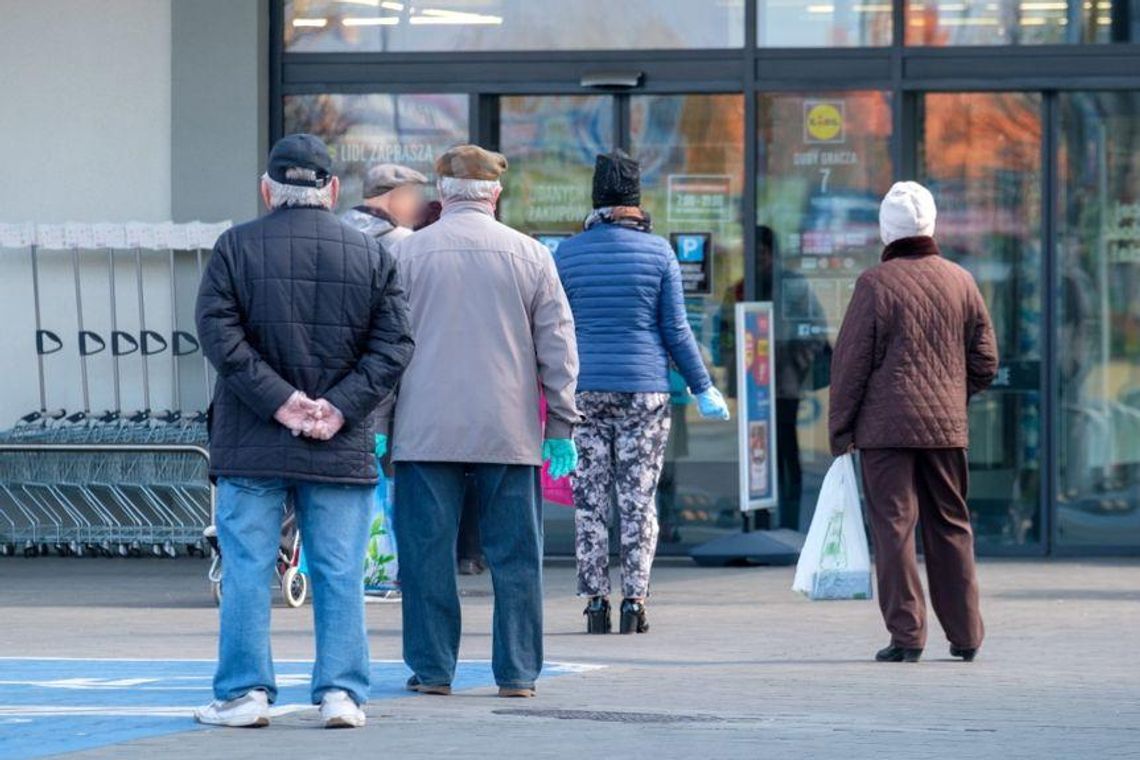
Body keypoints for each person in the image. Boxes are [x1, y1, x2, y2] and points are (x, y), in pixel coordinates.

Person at [193, 133, 414, 728]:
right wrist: (338, 407)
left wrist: (281, 402)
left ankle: (244, 696)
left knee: (245, 569)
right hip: (337, 443)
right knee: (339, 572)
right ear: (333, 190)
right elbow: (394, 346)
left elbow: (219, 336)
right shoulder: (371, 255)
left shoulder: (234, 247)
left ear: (267, 190)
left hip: (251, 439)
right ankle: (342, 694)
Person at [380, 145, 581, 699]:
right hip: (508, 433)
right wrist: (561, 425)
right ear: (495, 194)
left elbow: (383, 347)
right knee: (516, 557)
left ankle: (433, 669)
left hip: (424, 431)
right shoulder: (532, 255)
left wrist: (379, 421)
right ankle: (516, 673)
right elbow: (558, 348)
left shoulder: (406, 255)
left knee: (426, 556)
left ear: (443, 195)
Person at [554, 150, 731, 636]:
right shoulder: (659, 254)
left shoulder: (567, 254)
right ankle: (634, 602)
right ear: (636, 199)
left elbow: (554, 330)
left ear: (597, 198)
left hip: (582, 391)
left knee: (590, 503)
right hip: (644, 392)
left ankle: (594, 604)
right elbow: (675, 329)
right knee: (638, 500)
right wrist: (702, 386)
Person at [829, 181, 998, 664]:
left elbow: (850, 365)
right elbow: (986, 360)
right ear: (932, 224)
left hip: (886, 431)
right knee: (951, 524)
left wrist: (841, 431)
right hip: (946, 429)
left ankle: (907, 636)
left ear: (887, 230)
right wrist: (951, 394)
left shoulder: (874, 285)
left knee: (895, 529)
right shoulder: (961, 280)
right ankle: (966, 635)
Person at [341, 162, 429, 252]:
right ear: (395, 197)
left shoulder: (340, 233)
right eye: (410, 194)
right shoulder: (406, 241)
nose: (417, 202)